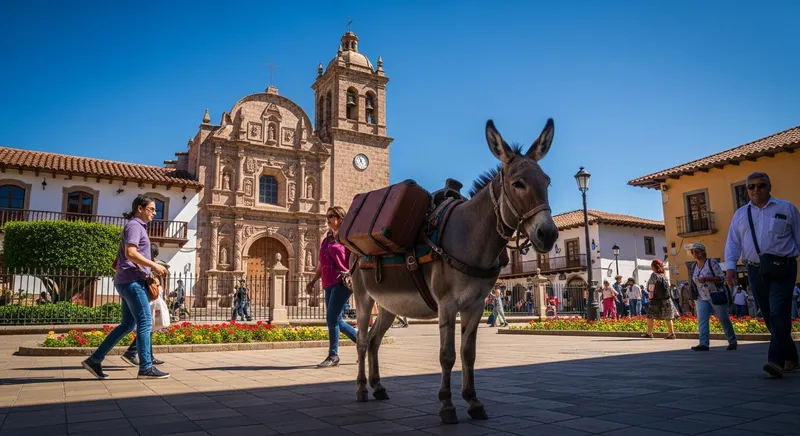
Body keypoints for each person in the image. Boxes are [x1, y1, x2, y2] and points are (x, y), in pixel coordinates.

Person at [82, 195, 169, 379]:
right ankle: (146, 367)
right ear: (140, 208)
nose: (155, 213)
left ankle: (95, 360)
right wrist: (153, 265)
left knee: (128, 325)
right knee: (145, 322)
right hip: (132, 281)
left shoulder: (138, 227)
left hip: (127, 281)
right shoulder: (135, 226)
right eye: (152, 209)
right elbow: (130, 253)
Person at [724, 171, 799, 378]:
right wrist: (730, 267)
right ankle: (792, 357)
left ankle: (775, 360)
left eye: (761, 185)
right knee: (767, 313)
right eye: (751, 186)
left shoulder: (786, 208)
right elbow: (733, 243)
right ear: (747, 190)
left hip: (783, 267)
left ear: (769, 187)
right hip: (755, 269)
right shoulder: (741, 214)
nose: (756, 189)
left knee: (778, 312)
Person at [305, 206, 358, 368]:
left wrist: (351, 272)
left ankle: (333, 355)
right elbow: (321, 263)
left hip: (342, 282)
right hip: (328, 282)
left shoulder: (347, 238)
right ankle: (365, 342)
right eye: (327, 216)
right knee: (336, 320)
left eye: (331, 216)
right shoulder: (326, 239)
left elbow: (356, 257)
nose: (328, 219)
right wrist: (313, 280)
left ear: (341, 219)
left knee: (331, 318)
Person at [121, 245, 169, 367]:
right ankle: (132, 353)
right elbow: (147, 279)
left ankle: (148, 357)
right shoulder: (146, 263)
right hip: (147, 298)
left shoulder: (146, 262)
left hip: (147, 296)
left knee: (148, 329)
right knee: (147, 327)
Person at [688, 243, 737, 352]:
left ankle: (732, 341)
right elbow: (692, 283)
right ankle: (703, 344)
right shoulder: (693, 266)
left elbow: (721, 278)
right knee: (702, 320)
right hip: (701, 297)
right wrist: (691, 297)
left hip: (715, 294)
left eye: (697, 251)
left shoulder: (711, 262)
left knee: (723, 318)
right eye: (693, 252)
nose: (694, 253)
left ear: (703, 252)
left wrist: (707, 279)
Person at [641, 259, 677, 339]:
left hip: (656, 299)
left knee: (650, 316)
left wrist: (650, 297)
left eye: (651, 265)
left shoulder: (654, 275)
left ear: (654, 266)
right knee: (668, 317)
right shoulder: (664, 275)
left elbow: (651, 288)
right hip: (666, 299)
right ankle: (671, 334)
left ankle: (649, 333)